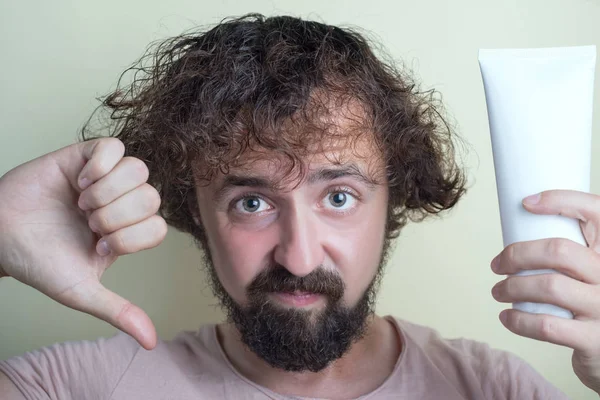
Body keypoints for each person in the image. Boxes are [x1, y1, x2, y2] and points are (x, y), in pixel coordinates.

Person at [0, 13, 597, 400]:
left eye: (339, 197)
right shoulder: (78, 387)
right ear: (195, 211)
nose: (299, 254)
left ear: (393, 201)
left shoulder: (495, 391)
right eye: (252, 201)